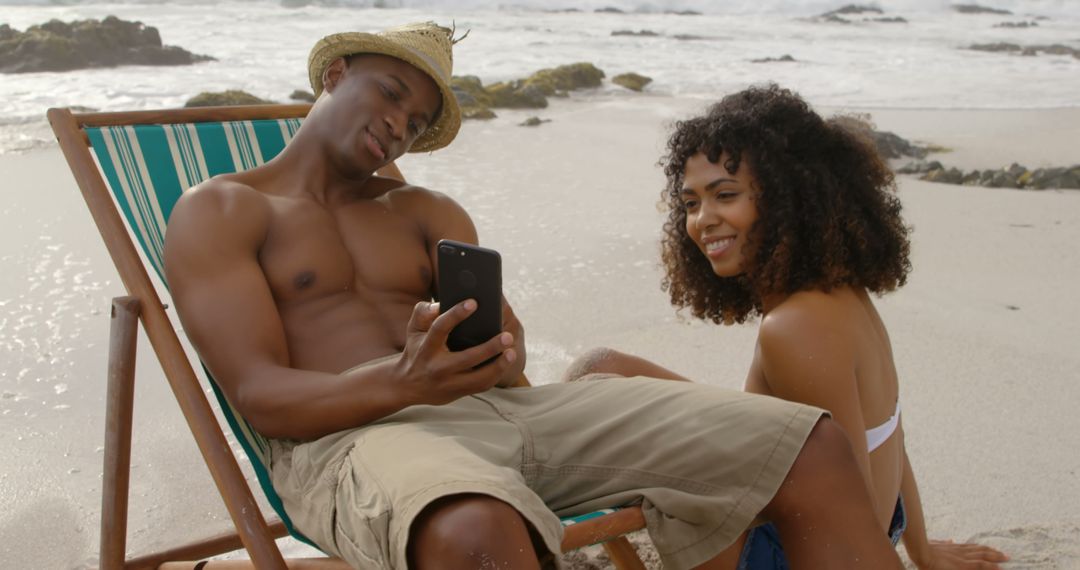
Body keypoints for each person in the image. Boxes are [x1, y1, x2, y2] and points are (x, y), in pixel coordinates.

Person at [163, 24, 905, 570]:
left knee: (805, 441)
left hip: (509, 416)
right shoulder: (223, 210)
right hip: (353, 445)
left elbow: (508, 370)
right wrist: (401, 382)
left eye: (417, 120)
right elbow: (262, 398)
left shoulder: (426, 213)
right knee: (474, 530)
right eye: (390, 93)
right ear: (336, 74)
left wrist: (499, 350)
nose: (398, 124)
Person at [567, 85, 1009, 569]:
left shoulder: (794, 329)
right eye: (691, 203)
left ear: (786, 198)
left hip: (793, 552)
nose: (702, 221)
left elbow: (846, 517)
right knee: (600, 369)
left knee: (613, 434)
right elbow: (888, 428)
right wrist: (923, 549)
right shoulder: (840, 290)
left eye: (726, 195)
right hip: (872, 519)